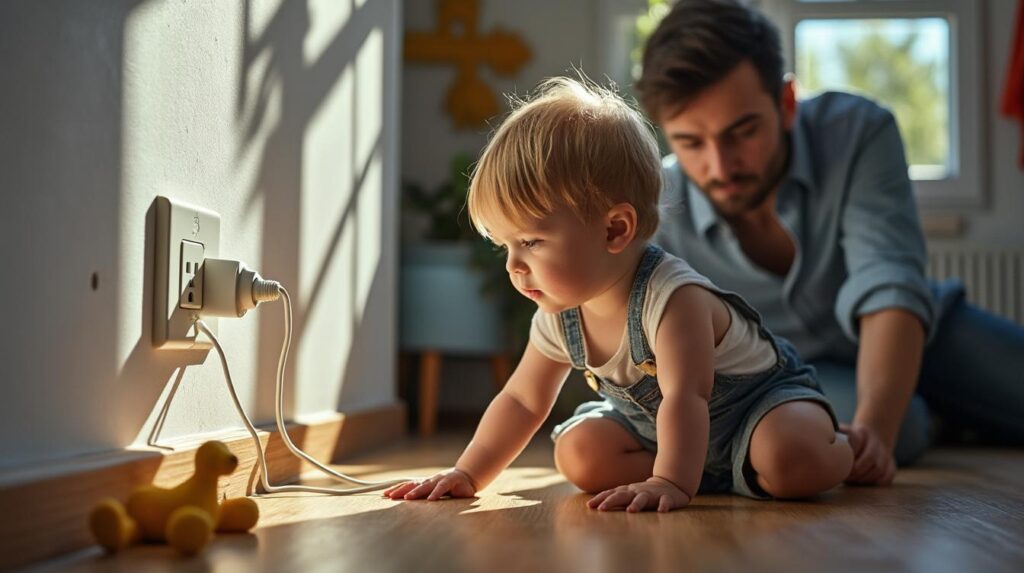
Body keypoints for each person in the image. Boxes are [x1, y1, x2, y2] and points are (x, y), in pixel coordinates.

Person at [385, 77, 853, 511]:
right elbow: (523, 400)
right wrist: (467, 473)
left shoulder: (673, 300)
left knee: (790, 459)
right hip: (664, 435)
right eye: (504, 245)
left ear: (615, 229)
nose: (513, 265)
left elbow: (686, 397)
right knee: (579, 454)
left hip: (758, 413)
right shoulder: (559, 314)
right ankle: (708, 475)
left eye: (530, 241)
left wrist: (669, 481)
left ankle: (847, 448)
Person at [636, 0, 1024, 486]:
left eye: (744, 131)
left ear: (786, 102)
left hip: (927, 335)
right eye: (691, 142)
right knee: (896, 427)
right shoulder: (660, 208)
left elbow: (890, 282)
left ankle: (938, 413)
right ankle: (931, 417)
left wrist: (876, 429)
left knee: (892, 422)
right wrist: (881, 432)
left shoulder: (857, 131)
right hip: (791, 374)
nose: (720, 166)